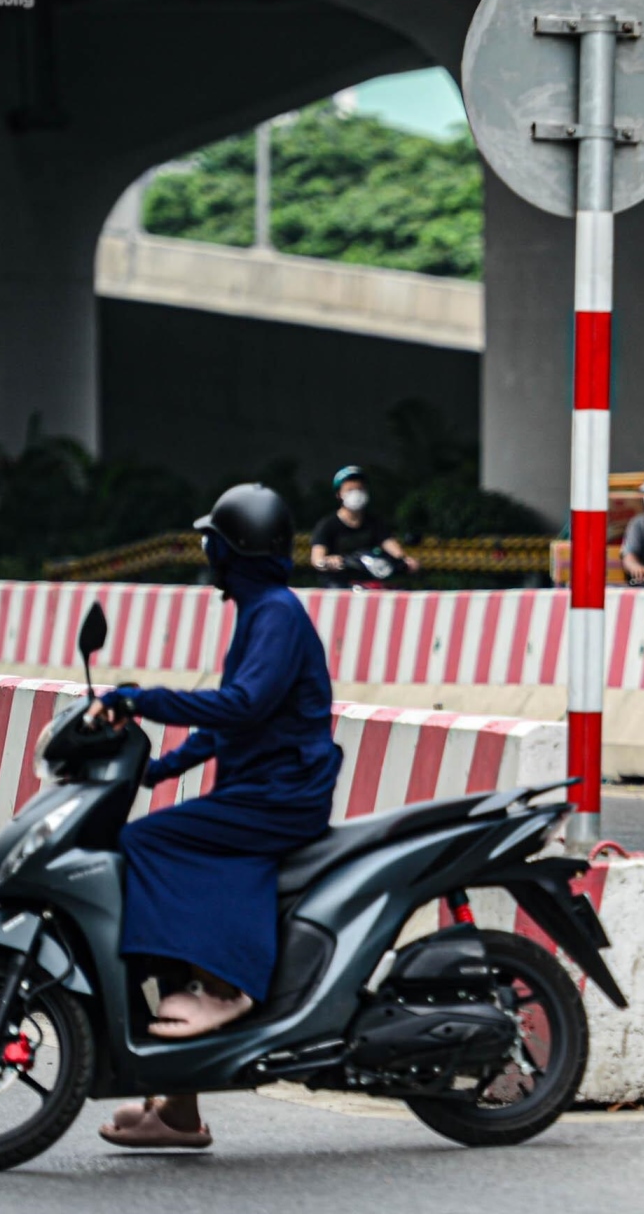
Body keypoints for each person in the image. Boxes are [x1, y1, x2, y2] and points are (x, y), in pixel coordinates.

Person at [91, 483, 343, 1150]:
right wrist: (155, 770)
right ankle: (178, 1108)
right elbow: (232, 721)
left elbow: (243, 704)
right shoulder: (262, 609)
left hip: (283, 793)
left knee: (146, 842)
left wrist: (141, 698)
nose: (207, 551)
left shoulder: (277, 614)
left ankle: (227, 984)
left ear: (231, 549)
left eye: (213, 539)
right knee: (157, 839)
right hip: (260, 783)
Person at [310, 465, 419, 587]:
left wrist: (405, 560)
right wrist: (328, 561)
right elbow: (317, 558)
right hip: (339, 584)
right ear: (339, 494)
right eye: (350, 490)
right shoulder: (327, 525)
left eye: (360, 489)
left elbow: (390, 544)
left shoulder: (375, 522)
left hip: (371, 581)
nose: (356, 493)